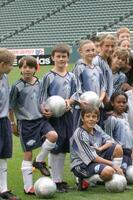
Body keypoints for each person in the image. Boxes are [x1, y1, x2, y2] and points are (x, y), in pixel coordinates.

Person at [10, 56, 58, 195]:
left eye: (30, 67)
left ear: (35, 68)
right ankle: (28, 187)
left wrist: (45, 109)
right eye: (24, 67)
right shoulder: (17, 86)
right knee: (28, 153)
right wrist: (12, 123)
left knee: (53, 136)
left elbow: (42, 99)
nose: (27, 70)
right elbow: (10, 107)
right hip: (26, 124)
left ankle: (39, 161)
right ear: (20, 69)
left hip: (41, 120)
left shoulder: (40, 82)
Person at [39, 43, 77, 192]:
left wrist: (70, 101)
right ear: (53, 57)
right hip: (54, 116)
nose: (61, 59)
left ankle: (59, 179)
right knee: (56, 147)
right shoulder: (48, 76)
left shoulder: (72, 76)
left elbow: (76, 93)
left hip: (67, 115)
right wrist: (45, 110)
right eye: (58, 56)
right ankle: (55, 180)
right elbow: (42, 97)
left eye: (64, 56)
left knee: (63, 148)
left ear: (68, 58)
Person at [70, 105, 124, 191]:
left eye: (94, 116)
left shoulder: (96, 128)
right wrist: (112, 164)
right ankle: (84, 180)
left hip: (95, 158)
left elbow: (110, 141)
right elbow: (93, 158)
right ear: (82, 118)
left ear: (97, 119)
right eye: (88, 116)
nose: (91, 119)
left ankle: (116, 180)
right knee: (109, 171)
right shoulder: (80, 134)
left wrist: (101, 148)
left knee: (118, 148)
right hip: (81, 166)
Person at [0, 48, 20, 200]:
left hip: (4, 121)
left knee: (3, 156)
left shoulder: (5, 78)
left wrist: (11, 121)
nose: (13, 67)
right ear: (2, 64)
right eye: (11, 64)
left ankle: (3, 189)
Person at [72, 40, 105, 128]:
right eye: (87, 51)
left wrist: (100, 99)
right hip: (83, 108)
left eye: (93, 50)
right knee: (81, 132)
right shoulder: (79, 68)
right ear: (80, 52)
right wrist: (82, 102)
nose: (91, 53)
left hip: (97, 107)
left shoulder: (98, 68)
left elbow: (103, 86)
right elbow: (77, 87)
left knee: (96, 132)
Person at [104, 91, 133, 170]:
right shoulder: (111, 119)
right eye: (118, 102)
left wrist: (132, 151)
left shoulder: (125, 116)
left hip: (128, 152)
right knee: (122, 172)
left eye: (124, 102)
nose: (121, 104)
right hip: (119, 153)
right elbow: (108, 138)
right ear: (112, 103)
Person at [93, 34, 116, 100]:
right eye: (107, 46)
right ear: (101, 46)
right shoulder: (97, 61)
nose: (110, 49)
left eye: (112, 46)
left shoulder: (107, 61)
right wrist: (105, 99)